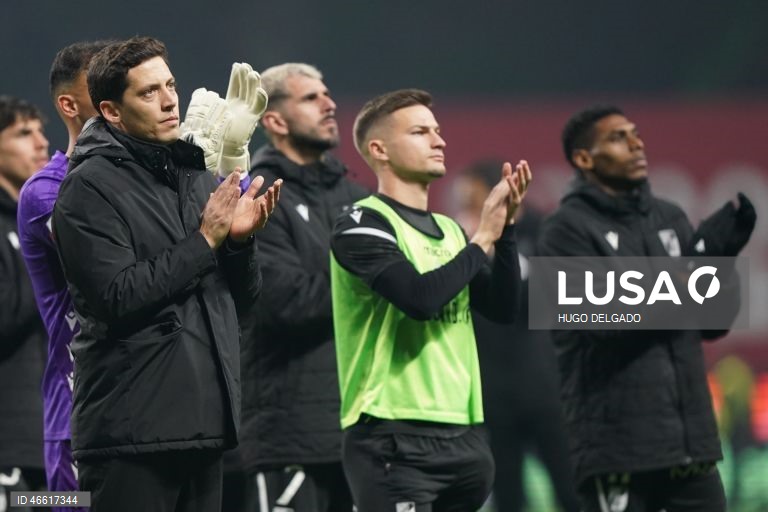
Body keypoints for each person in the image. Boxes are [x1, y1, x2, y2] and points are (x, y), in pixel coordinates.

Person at [51, 36, 280, 512]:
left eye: (170, 84)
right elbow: (115, 297)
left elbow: (240, 302)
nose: (171, 99)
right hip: (131, 433)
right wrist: (205, 241)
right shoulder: (87, 186)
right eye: (149, 92)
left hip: (202, 425)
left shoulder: (192, 175)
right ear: (112, 111)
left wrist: (238, 243)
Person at [537, 105, 756, 512]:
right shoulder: (564, 230)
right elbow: (598, 320)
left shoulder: (669, 217)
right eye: (618, 137)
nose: (637, 143)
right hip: (618, 454)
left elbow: (710, 324)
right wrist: (695, 267)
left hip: (691, 448)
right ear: (584, 159)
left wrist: (719, 260)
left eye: (636, 134)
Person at [330, 89, 531, 512]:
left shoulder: (450, 230)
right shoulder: (361, 223)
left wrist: (506, 230)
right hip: (392, 434)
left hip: (464, 433)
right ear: (378, 149)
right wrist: (484, 238)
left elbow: (502, 308)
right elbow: (419, 300)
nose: (439, 141)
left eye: (437, 131)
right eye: (421, 132)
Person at [237, 62, 367, 512]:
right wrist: (375, 277)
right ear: (274, 120)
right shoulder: (256, 195)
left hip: (362, 429)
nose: (330, 104)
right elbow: (283, 303)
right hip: (288, 433)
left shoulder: (357, 200)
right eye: (311, 98)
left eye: (328, 94)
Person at [450, 160, 579, 512]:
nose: (466, 210)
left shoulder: (546, 231)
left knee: (572, 490)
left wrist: (495, 249)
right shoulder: (458, 242)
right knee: (507, 496)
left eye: (473, 199)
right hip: (492, 394)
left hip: (546, 389)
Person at [17, 41, 110, 512]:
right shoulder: (45, 192)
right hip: (77, 423)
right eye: (106, 84)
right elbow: (114, 264)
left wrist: (228, 163)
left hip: (156, 414)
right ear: (70, 105)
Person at [0, 95, 49, 509]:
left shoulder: (37, 223)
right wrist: (51, 267)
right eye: (22, 133)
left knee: (71, 502)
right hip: (8, 452)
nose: (40, 143)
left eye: (40, 131)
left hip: (55, 443)